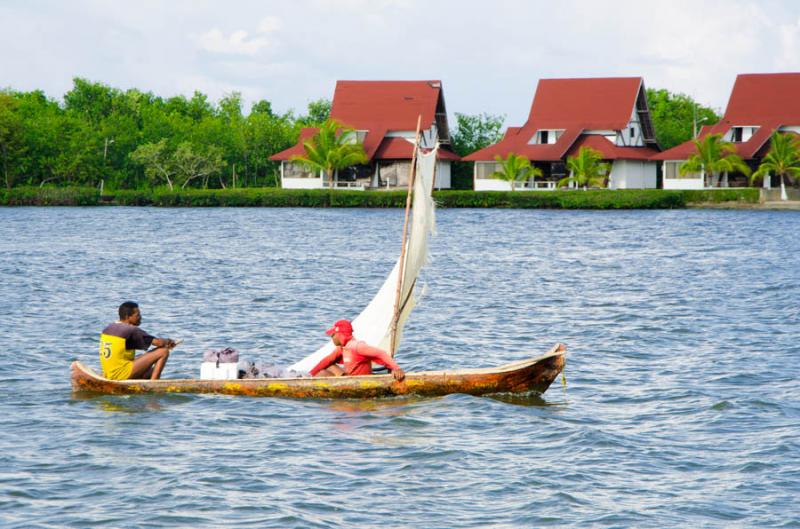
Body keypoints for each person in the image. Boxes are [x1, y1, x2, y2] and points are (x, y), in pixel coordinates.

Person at [99, 301, 176, 380]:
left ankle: (148, 381)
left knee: (150, 370)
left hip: (109, 373)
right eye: (137, 315)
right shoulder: (131, 330)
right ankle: (154, 384)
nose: (140, 317)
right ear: (127, 317)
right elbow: (159, 343)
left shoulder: (108, 328)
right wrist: (168, 341)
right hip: (120, 374)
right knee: (163, 351)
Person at [310, 319, 406, 381]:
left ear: (339, 335)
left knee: (323, 372)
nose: (331, 337)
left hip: (360, 381)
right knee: (326, 366)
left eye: (332, 335)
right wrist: (309, 375)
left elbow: (381, 353)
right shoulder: (342, 348)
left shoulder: (357, 346)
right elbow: (325, 361)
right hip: (348, 380)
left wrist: (396, 368)